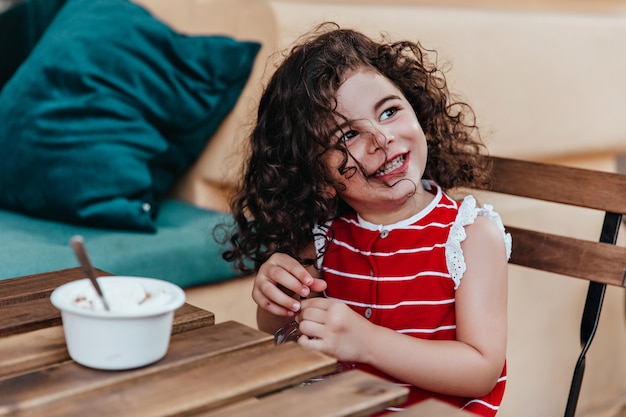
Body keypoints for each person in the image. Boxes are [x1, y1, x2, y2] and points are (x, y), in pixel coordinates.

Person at [222, 22, 511, 416]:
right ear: (317, 177)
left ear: (418, 113)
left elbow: (481, 370)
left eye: (389, 111)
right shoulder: (323, 235)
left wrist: (366, 342)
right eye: (346, 137)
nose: (380, 139)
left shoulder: (470, 236)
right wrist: (276, 299)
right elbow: (282, 333)